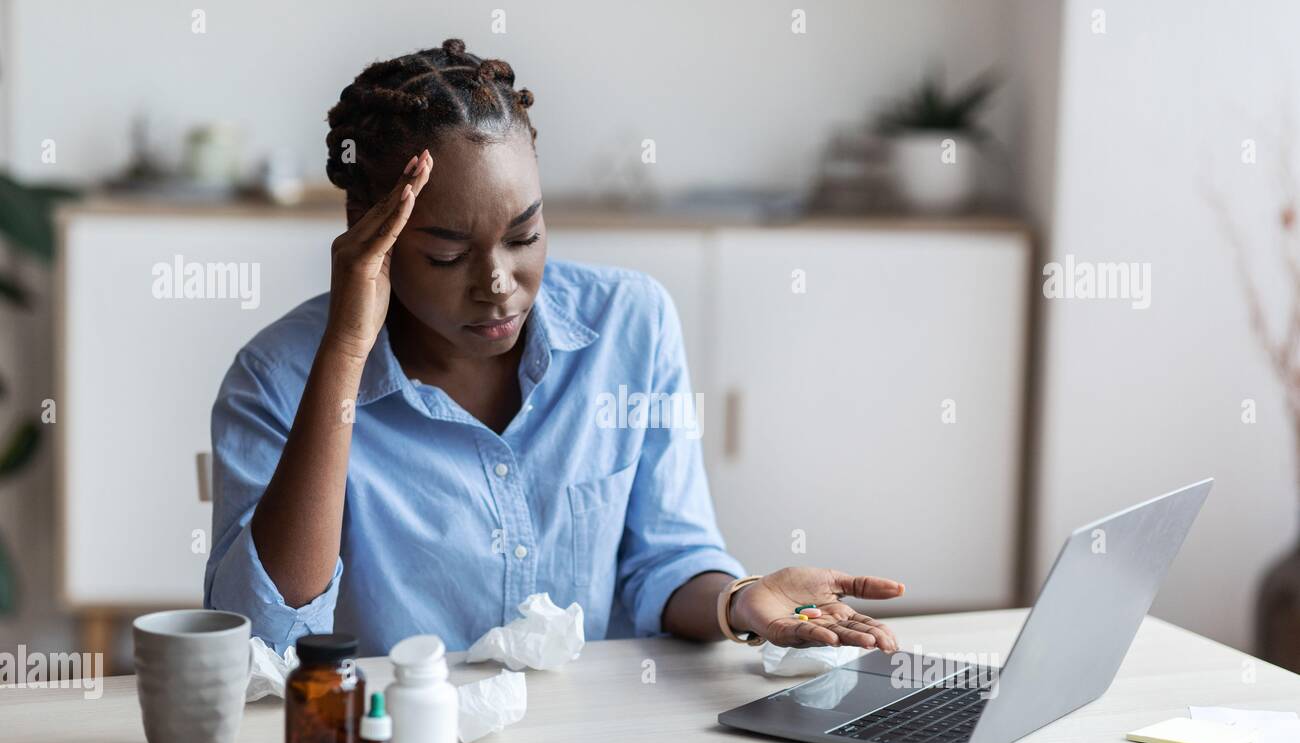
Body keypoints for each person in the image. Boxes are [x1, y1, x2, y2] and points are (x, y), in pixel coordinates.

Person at [204, 39, 904, 658]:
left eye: (524, 235)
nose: (499, 286)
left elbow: (664, 561)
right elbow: (266, 638)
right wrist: (348, 350)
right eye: (447, 256)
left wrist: (740, 600)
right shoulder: (276, 380)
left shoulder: (632, 324)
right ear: (370, 234)